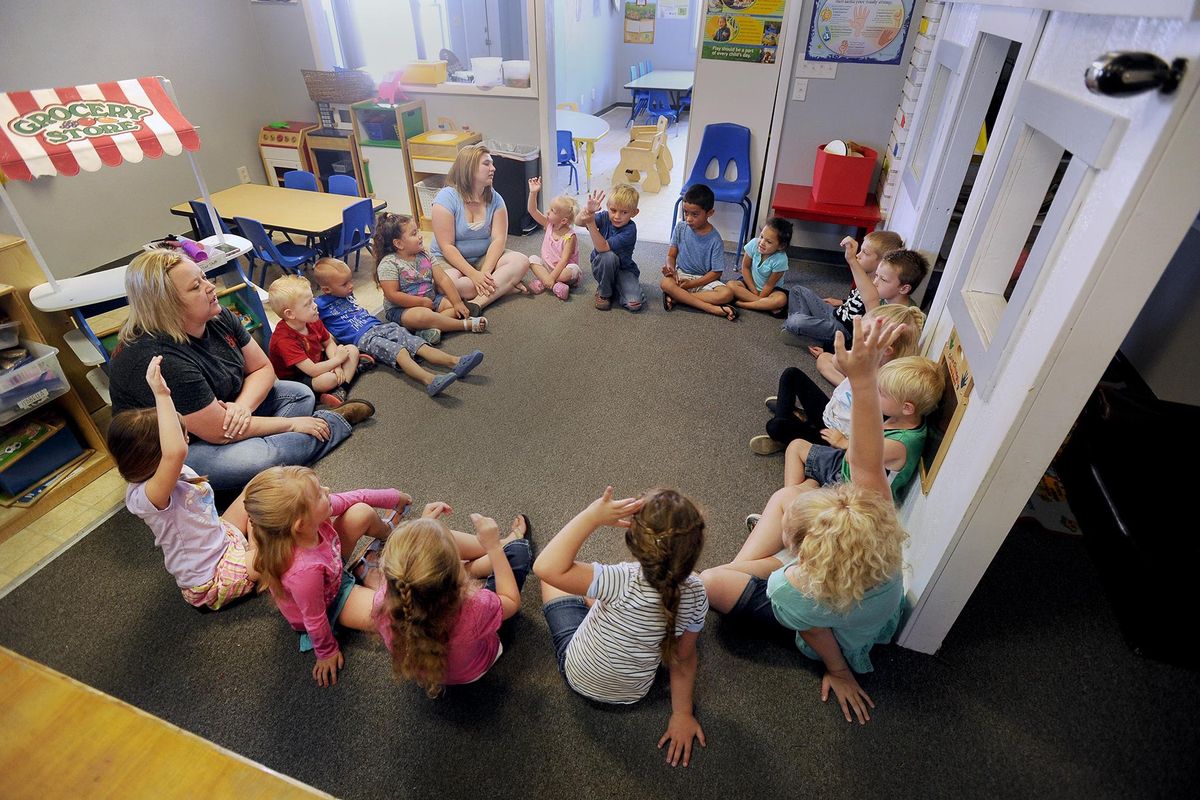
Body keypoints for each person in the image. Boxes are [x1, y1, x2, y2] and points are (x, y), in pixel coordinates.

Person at [701, 316, 910, 725]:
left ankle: (721, 575)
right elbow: (865, 460)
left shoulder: (796, 587)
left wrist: (838, 671)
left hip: (829, 633)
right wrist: (864, 380)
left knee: (711, 582)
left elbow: (816, 631)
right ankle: (736, 567)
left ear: (802, 557)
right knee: (782, 502)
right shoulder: (880, 533)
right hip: (854, 596)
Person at [107, 250, 374, 491]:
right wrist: (291, 423)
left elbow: (262, 368)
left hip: (228, 412)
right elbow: (219, 431)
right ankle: (332, 424)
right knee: (256, 459)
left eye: (204, 277)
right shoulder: (161, 357)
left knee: (300, 394)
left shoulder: (217, 315)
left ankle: (279, 448)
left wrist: (243, 409)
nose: (211, 287)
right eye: (196, 286)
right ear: (168, 305)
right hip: (180, 448)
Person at [534, 487, 708, 767]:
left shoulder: (620, 578)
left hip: (578, 672)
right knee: (596, 594)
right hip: (635, 691)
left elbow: (545, 567)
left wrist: (592, 516)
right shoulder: (698, 594)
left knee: (556, 582)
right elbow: (683, 659)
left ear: (634, 542)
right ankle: (603, 604)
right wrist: (682, 714)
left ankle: (599, 604)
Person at [108, 356, 259, 610]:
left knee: (258, 488)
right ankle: (258, 555)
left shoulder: (173, 471)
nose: (186, 438)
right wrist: (161, 394)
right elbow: (175, 451)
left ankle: (255, 550)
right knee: (279, 551)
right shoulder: (145, 497)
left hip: (222, 537)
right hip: (211, 579)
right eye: (182, 435)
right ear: (159, 453)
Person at [244, 465, 406, 687]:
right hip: (329, 602)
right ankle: (364, 571)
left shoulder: (311, 517)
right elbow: (314, 618)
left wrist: (394, 497)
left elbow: (357, 496)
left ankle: (391, 537)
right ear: (301, 524)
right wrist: (326, 652)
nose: (328, 490)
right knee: (394, 614)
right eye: (319, 493)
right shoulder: (303, 572)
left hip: (330, 565)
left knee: (361, 511)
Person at [373, 507, 532, 696]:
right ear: (458, 577)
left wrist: (423, 530)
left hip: (426, 669)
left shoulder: (383, 600)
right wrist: (494, 546)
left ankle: (453, 560)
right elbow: (511, 601)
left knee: (439, 539)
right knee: (519, 551)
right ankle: (504, 545)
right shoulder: (476, 606)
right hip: (475, 669)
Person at [750, 304, 926, 454]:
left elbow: (867, 433)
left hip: (834, 438)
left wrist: (842, 442)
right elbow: (835, 362)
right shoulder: (862, 359)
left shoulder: (889, 386)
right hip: (829, 413)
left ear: (885, 350)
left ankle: (786, 428)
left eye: (863, 337)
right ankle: (793, 416)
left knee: (775, 426)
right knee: (791, 374)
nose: (856, 341)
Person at [313, 257, 483, 398]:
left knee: (415, 342)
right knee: (399, 351)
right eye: (344, 284)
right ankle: (430, 380)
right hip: (364, 339)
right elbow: (309, 321)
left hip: (379, 326)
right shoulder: (318, 305)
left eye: (350, 281)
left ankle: (456, 362)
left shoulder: (346, 295)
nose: (351, 286)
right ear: (326, 289)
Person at [782, 354, 943, 499]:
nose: (875, 393)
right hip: (845, 470)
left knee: (795, 495)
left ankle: (791, 506)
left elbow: (853, 456)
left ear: (907, 408)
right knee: (796, 446)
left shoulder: (899, 444)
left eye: (882, 393)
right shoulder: (900, 418)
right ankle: (797, 497)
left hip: (852, 492)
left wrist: (843, 442)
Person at [430, 143, 532, 311]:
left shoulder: (496, 199)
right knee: (447, 284)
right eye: (486, 164)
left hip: (482, 256)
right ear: (469, 168)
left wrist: (484, 273)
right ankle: (504, 287)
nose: (493, 168)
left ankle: (478, 303)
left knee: (521, 261)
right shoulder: (446, 198)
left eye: (492, 163)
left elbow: (499, 239)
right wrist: (473, 275)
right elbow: (447, 246)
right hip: (448, 259)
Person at [373, 212, 488, 343]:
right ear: (399, 244)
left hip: (432, 300)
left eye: (418, 231)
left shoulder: (425, 254)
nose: (420, 236)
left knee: (455, 306)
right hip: (402, 309)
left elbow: (443, 279)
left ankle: (428, 328)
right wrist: (421, 303)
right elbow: (392, 294)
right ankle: (465, 325)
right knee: (422, 316)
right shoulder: (389, 263)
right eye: (414, 234)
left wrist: (457, 303)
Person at [782, 230, 904, 349]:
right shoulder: (863, 275)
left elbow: (866, 313)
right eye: (860, 250)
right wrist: (842, 301)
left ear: (881, 262)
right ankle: (806, 330)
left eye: (865, 253)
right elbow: (856, 302)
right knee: (797, 290)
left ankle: (811, 336)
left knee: (795, 321)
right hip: (836, 313)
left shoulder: (879, 289)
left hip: (842, 330)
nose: (858, 255)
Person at [266, 275, 366, 409]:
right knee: (328, 379)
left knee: (352, 350)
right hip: (299, 378)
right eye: (308, 304)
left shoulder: (311, 318)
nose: (315, 306)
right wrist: (338, 361)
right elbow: (312, 371)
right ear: (290, 314)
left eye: (312, 300)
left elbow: (328, 343)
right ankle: (349, 374)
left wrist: (336, 365)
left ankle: (341, 389)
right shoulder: (283, 339)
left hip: (319, 361)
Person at [660, 184, 736, 320]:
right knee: (665, 283)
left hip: (703, 280)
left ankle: (678, 298)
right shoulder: (680, 228)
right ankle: (711, 308)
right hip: (681, 275)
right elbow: (671, 255)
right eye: (686, 212)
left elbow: (716, 272)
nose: (688, 218)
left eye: (694, 214)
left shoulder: (715, 239)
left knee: (727, 294)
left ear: (710, 213)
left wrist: (693, 284)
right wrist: (671, 268)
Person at [577, 184, 644, 312]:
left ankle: (613, 284)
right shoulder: (604, 216)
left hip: (625, 268)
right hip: (603, 263)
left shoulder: (630, 230)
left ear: (634, 213)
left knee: (634, 304)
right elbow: (578, 221)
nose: (617, 216)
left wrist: (590, 222)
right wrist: (588, 212)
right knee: (608, 257)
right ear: (607, 208)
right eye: (613, 210)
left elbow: (603, 247)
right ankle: (604, 292)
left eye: (624, 212)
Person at [525, 177, 582, 300]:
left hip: (563, 269)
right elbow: (532, 210)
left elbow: (564, 260)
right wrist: (533, 192)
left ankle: (545, 281)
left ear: (563, 220)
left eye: (552, 211)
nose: (547, 212)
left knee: (572, 271)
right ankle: (556, 286)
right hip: (548, 266)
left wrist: (551, 277)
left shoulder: (569, 237)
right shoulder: (549, 225)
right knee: (531, 259)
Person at [725, 217, 793, 317]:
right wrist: (753, 290)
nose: (761, 243)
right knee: (731, 285)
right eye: (761, 236)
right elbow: (745, 268)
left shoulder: (781, 260)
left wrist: (761, 295)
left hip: (771, 290)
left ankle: (742, 304)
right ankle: (763, 305)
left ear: (781, 246)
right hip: (750, 283)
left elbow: (769, 285)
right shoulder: (753, 244)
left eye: (769, 242)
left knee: (781, 299)